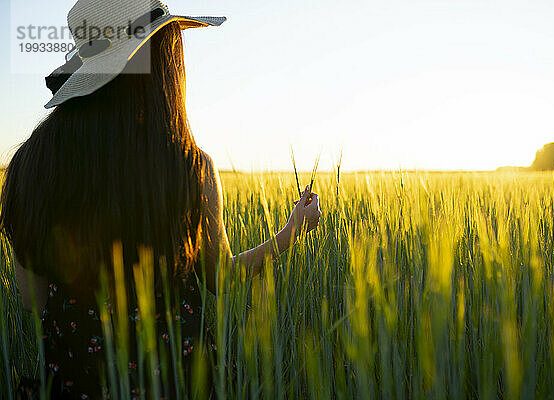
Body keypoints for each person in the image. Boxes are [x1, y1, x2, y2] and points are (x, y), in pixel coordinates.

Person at [1, 1, 321, 398]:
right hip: (177, 381)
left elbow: (31, 300)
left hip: (75, 382)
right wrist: (293, 230)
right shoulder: (189, 166)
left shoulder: (30, 166)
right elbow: (221, 278)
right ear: (162, 67)